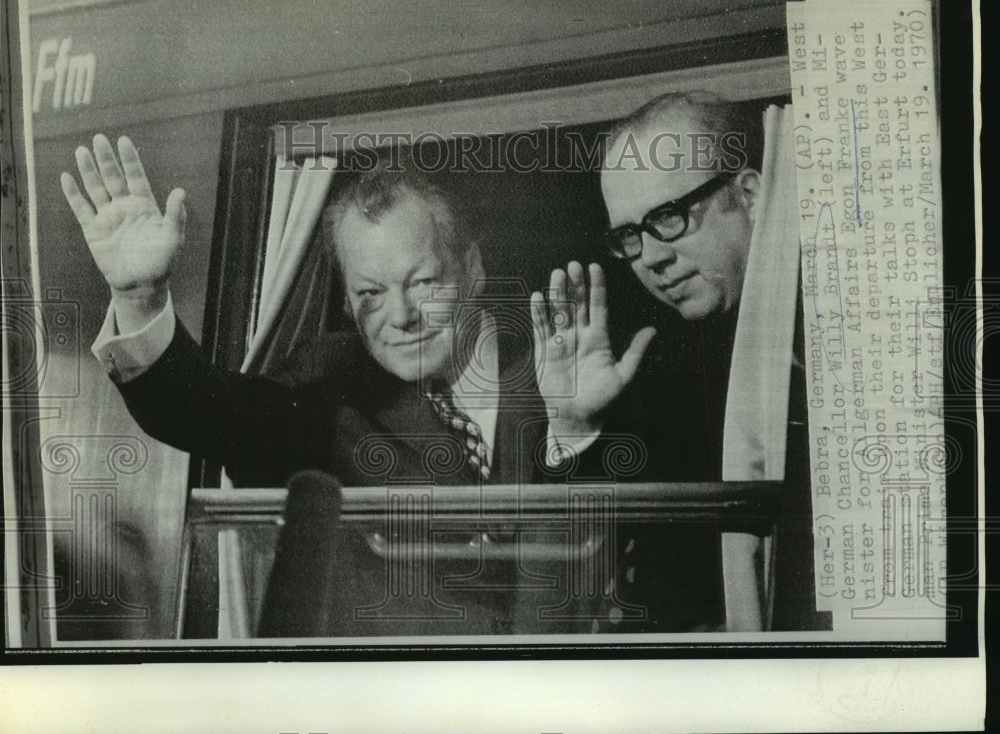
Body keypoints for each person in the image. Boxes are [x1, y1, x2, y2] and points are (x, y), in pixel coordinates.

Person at [61, 134, 656, 636]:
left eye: (422, 282)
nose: (399, 316)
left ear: (472, 269)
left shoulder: (568, 368)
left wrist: (574, 430)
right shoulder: (329, 382)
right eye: (370, 294)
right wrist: (140, 299)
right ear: (347, 300)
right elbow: (205, 411)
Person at [599, 91, 829, 632]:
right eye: (629, 235)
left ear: (749, 194)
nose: (651, 257)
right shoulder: (691, 367)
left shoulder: (849, 329)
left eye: (669, 217)